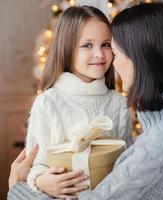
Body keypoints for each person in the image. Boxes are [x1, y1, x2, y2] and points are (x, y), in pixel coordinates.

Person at [8, 2, 163, 200]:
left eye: (111, 49)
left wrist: (18, 188)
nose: (106, 58)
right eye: (87, 45)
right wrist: (37, 179)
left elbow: (119, 175)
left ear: (141, 58)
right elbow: (38, 161)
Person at [9, 5, 132, 199]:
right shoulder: (47, 103)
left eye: (106, 44)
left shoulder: (118, 103)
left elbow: (127, 161)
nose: (100, 54)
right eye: (87, 45)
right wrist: (41, 180)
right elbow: (36, 163)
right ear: (67, 49)